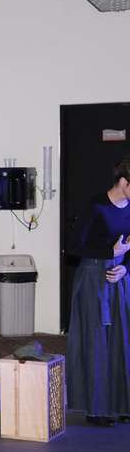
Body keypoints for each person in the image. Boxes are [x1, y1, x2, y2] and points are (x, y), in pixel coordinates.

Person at [67, 156, 130, 427]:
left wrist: (125, 268)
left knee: (121, 341)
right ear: (124, 183)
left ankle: (122, 404)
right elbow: (73, 247)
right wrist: (109, 252)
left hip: (119, 279)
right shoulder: (95, 205)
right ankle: (97, 408)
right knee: (97, 343)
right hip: (93, 278)